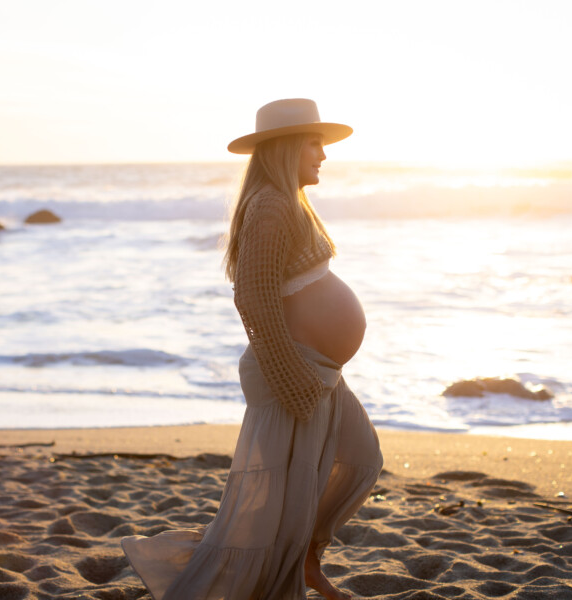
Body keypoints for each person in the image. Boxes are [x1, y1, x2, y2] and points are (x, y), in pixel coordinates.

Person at [121, 98, 383, 600]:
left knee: (361, 457)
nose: (323, 155)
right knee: (273, 509)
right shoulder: (270, 205)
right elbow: (253, 296)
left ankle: (305, 559)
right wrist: (289, 375)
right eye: (314, 144)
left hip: (317, 370)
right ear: (287, 147)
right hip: (293, 372)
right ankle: (270, 572)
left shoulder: (289, 202)